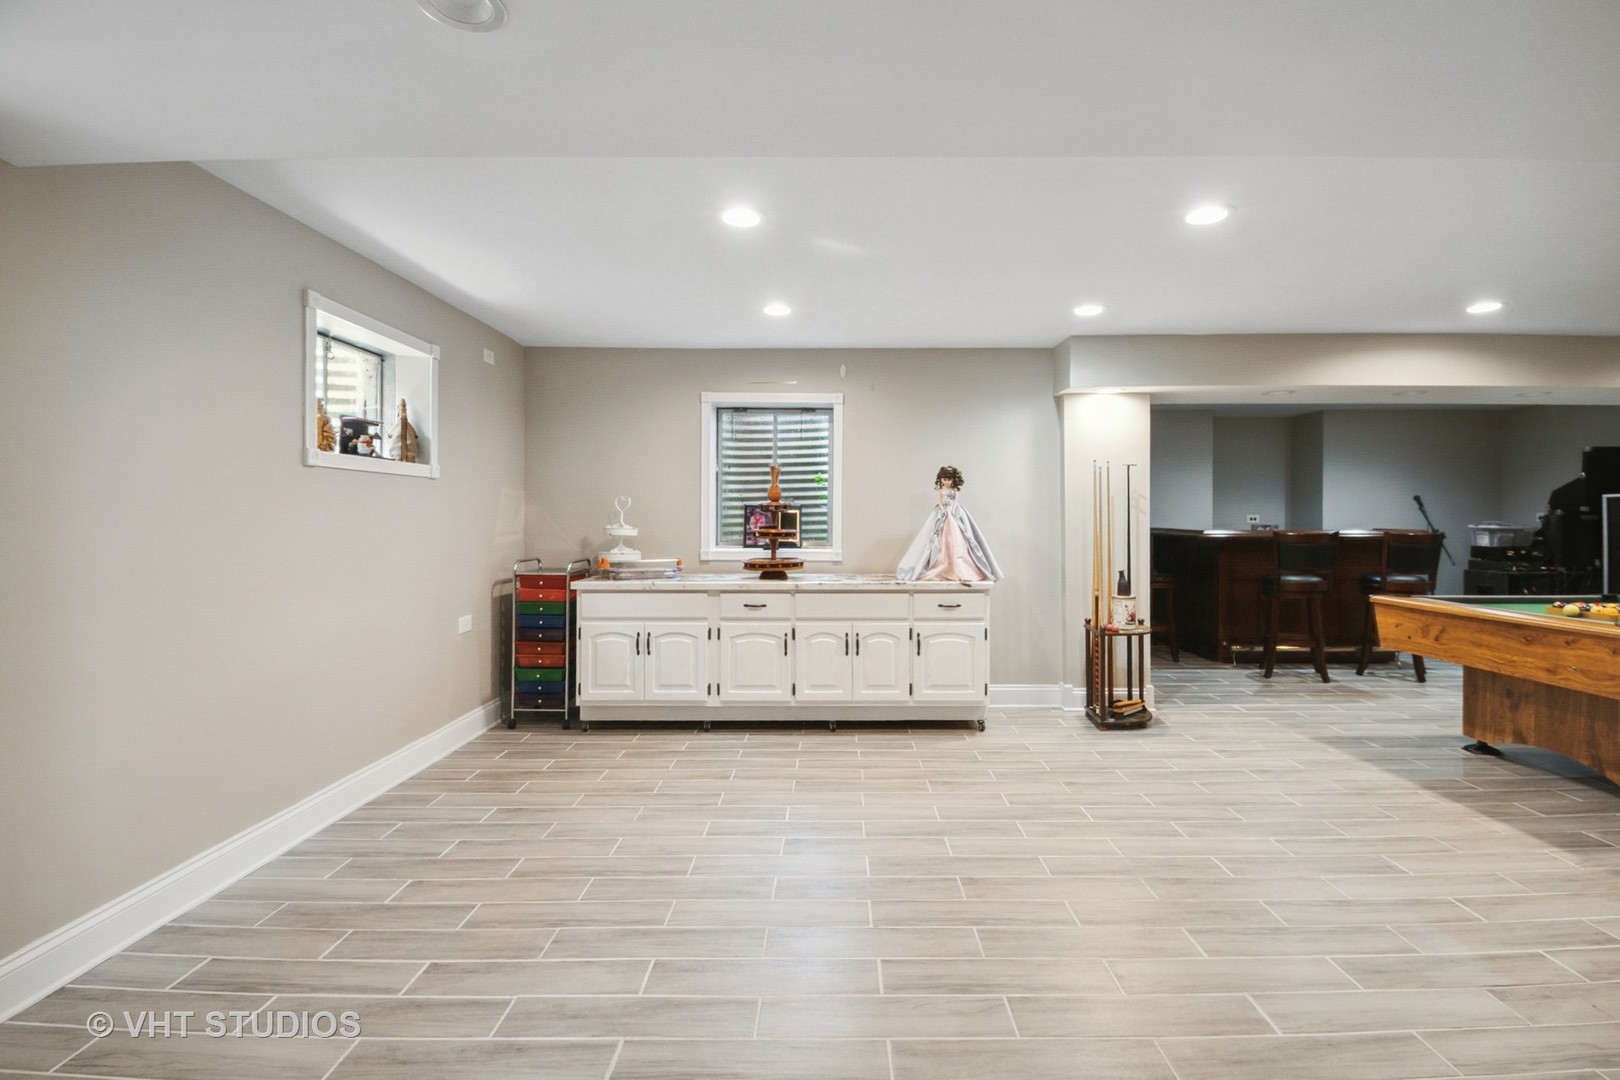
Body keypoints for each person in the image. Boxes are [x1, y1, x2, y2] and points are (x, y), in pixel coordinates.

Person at [896, 466, 1003, 581]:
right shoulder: (941, 490)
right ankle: (942, 564)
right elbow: (940, 502)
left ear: (953, 480)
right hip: (942, 512)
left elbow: (956, 501)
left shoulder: (954, 491)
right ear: (940, 479)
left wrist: (953, 509)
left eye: (948, 479)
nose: (946, 481)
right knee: (939, 536)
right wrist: (942, 509)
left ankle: (961, 566)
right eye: (943, 479)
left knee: (958, 536)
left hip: (954, 511)